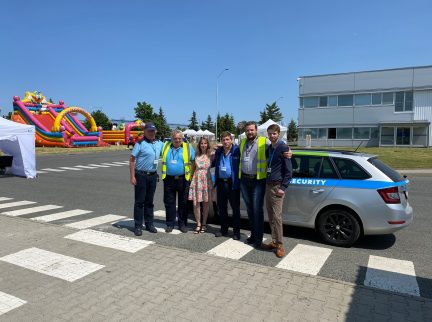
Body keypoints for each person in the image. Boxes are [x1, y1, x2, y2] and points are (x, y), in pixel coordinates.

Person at [239, 121, 292, 248]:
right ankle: (253, 235)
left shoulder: (265, 141)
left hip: (258, 180)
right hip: (245, 180)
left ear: (256, 130)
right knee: (250, 210)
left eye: (252, 130)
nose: (250, 132)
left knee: (257, 210)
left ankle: (259, 238)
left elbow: (280, 147)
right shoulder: (242, 143)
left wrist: (290, 151)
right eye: (247, 130)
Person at [261, 124, 292, 257]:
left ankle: (280, 245)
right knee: (271, 215)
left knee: (277, 217)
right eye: (270, 134)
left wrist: (283, 187)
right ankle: (273, 241)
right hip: (268, 185)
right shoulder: (269, 148)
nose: (272, 136)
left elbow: (289, 171)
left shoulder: (283, 147)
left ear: (278, 134)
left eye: (274, 133)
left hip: (277, 186)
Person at [129, 123, 164, 236]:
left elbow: (170, 148)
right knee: (140, 202)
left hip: (153, 176)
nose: (151, 133)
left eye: (153, 131)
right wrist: (132, 176)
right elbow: (132, 160)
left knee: (150, 202)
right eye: (149, 131)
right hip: (141, 175)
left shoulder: (159, 143)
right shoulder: (140, 143)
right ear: (145, 131)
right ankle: (138, 225)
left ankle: (149, 224)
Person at [162, 130, 195, 233]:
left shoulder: (188, 147)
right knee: (169, 203)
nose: (177, 140)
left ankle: (182, 224)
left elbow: (194, 160)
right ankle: (170, 224)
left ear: (182, 139)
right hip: (168, 179)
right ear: (172, 138)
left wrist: (192, 175)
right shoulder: (165, 146)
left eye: (179, 138)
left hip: (183, 179)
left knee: (183, 203)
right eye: (175, 138)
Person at [213, 131, 241, 240]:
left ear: (231, 140)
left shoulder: (237, 150)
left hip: (232, 183)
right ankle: (224, 230)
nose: (225, 141)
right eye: (223, 140)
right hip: (221, 183)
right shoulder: (219, 151)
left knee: (235, 209)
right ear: (221, 141)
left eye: (227, 139)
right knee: (222, 208)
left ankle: (236, 232)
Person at [188, 137, 213, 234]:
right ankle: (198, 223)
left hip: (206, 180)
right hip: (197, 180)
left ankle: (204, 223)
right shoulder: (196, 154)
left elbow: (221, 147)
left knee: (205, 203)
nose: (203, 145)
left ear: (208, 144)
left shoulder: (211, 154)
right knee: (196, 204)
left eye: (205, 143)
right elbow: (193, 167)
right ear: (199, 145)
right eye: (202, 143)